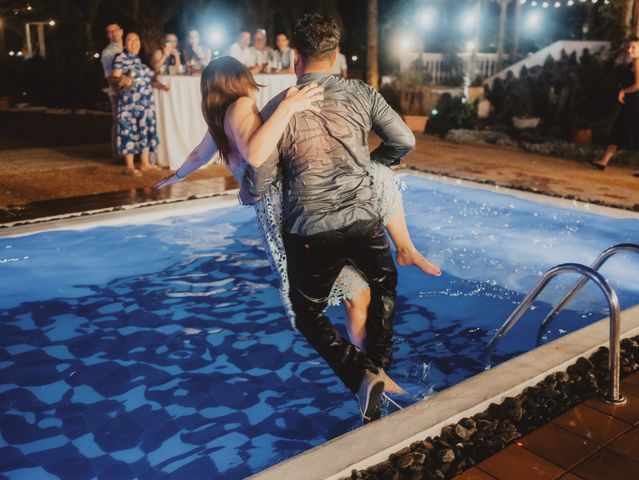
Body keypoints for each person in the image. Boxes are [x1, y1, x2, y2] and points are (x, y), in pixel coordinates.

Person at [155, 52, 440, 403]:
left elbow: (200, 155)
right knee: (375, 185)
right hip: (291, 209)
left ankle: (372, 379)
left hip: (279, 217)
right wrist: (289, 107)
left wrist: (176, 176)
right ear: (237, 79)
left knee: (355, 294)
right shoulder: (242, 105)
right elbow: (257, 156)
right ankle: (376, 375)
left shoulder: (221, 118)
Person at [249, 13, 439, 423]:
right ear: (334, 58)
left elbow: (261, 178)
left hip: (310, 229)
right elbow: (404, 141)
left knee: (308, 314)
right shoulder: (361, 93)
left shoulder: (279, 107)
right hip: (363, 222)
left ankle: (362, 376)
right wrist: (370, 166)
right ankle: (380, 371)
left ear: (295, 59)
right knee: (384, 287)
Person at [112, 33, 170, 176]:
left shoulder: (140, 62)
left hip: (145, 104)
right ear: (125, 45)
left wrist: (162, 86)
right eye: (130, 40)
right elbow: (115, 78)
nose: (133, 42)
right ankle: (130, 166)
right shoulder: (121, 58)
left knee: (144, 130)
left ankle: (145, 163)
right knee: (129, 131)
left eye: (136, 39)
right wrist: (122, 81)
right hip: (129, 104)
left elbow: (149, 80)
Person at [591, 36, 639, 172]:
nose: (629, 50)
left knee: (622, 130)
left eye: (633, 47)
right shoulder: (635, 62)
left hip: (635, 102)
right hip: (634, 102)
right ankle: (603, 161)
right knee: (620, 130)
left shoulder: (638, 62)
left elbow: (638, 85)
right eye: (629, 47)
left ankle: (603, 161)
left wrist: (623, 91)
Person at [101, 23, 124, 160]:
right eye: (110, 32)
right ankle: (116, 153)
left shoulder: (126, 47)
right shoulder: (108, 52)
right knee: (118, 120)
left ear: (121, 31)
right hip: (117, 92)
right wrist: (118, 91)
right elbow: (109, 75)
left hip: (127, 91)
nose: (113, 33)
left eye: (116, 30)